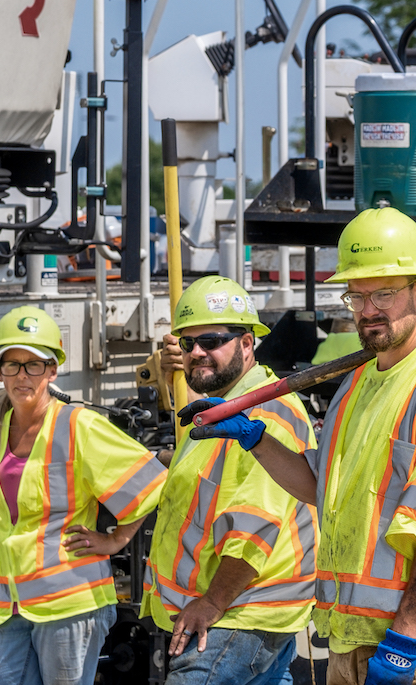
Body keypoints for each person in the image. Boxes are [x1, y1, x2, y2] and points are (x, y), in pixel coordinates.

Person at [183, 209, 416, 685]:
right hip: (345, 635)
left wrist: (404, 641)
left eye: (384, 293)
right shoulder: (356, 384)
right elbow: (316, 484)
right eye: (357, 296)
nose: (368, 310)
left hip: (408, 644)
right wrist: (255, 438)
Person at [0, 306, 168, 685]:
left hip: (70, 605)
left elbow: (149, 481)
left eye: (34, 364)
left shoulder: (78, 425)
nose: (22, 375)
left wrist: (115, 541)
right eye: (12, 365)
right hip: (11, 607)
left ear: (52, 371)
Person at [145, 276, 318, 685]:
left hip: (239, 613)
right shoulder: (220, 410)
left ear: (246, 343)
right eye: (188, 344)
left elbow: (255, 527)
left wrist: (211, 602)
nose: (197, 353)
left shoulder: (267, 413)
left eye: (211, 341)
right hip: (242, 612)